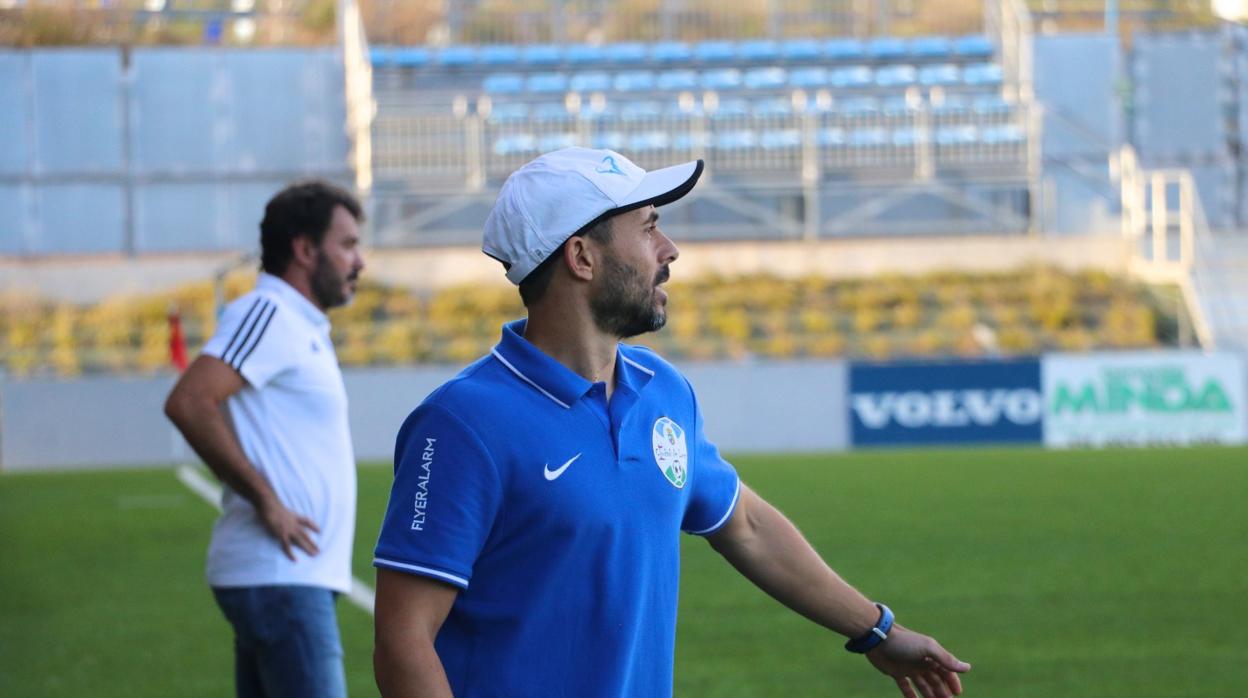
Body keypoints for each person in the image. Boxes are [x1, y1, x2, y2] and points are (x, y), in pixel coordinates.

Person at [372, 148, 971, 698]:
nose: (670, 250)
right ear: (581, 257)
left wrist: (878, 630)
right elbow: (404, 639)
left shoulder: (663, 391)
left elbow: (746, 525)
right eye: (650, 227)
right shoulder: (462, 423)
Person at [165, 180, 366, 698]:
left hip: (290, 578)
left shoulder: (300, 324)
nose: (358, 261)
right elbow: (189, 401)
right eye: (346, 245)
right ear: (304, 249)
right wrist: (268, 503)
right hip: (281, 577)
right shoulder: (270, 313)